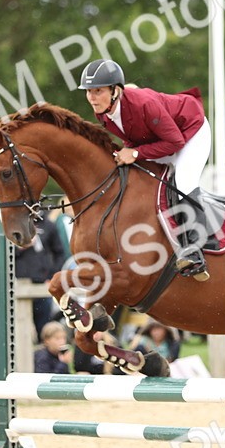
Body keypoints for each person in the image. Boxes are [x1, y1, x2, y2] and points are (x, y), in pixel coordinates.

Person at [77, 58, 212, 281]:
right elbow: (134, 134)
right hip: (161, 139)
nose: (92, 97)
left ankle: (195, 251)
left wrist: (136, 153)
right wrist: (128, 152)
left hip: (190, 132)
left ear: (115, 91)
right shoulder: (102, 112)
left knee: (184, 181)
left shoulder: (144, 103)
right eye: (89, 91)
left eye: (98, 91)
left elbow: (175, 142)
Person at [14, 211, 67, 337]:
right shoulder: (14, 224)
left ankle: (43, 352)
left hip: (42, 283)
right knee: (20, 330)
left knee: (44, 326)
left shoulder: (48, 225)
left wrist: (52, 276)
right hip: (18, 283)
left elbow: (60, 253)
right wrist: (20, 247)